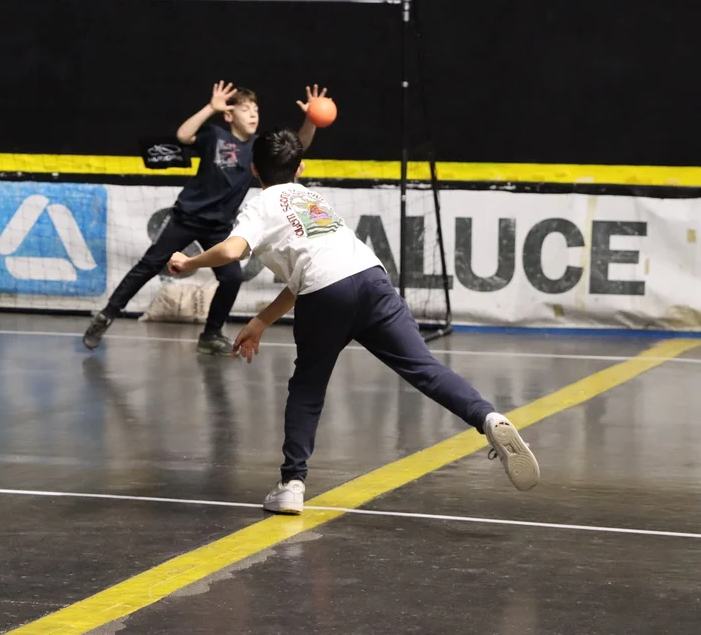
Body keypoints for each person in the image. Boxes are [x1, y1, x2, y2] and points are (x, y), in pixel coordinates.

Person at [167, 128, 540, 514]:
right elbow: (310, 272)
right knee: (425, 368)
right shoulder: (312, 199)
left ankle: (292, 484)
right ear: (300, 168)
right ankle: (486, 416)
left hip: (325, 295)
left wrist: (189, 262)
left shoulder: (260, 205)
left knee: (307, 389)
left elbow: (232, 251)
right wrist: (261, 321)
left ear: (253, 169)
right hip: (370, 277)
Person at [83, 81, 325, 354]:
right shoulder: (215, 135)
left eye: (256, 109)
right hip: (186, 218)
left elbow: (297, 148)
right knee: (149, 265)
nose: (253, 114)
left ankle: (211, 334)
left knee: (232, 277)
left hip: (219, 228)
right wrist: (211, 107)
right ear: (229, 115)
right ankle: (106, 315)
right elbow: (183, 135)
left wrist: (311, 119)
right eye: (245, 109)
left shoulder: (257, 148)